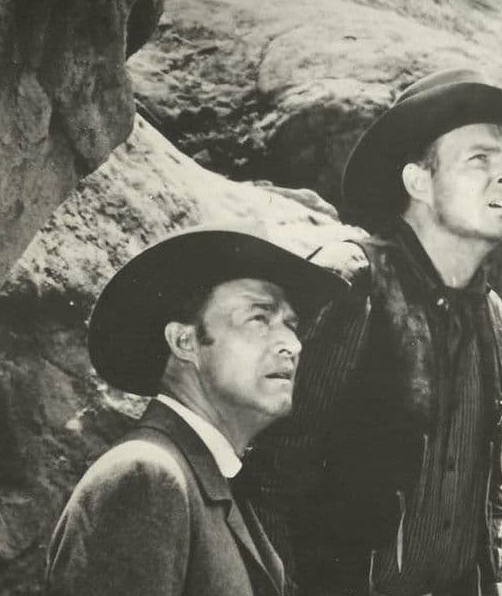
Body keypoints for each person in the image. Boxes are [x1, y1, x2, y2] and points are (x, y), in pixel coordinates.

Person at [244, 68, 502, 596]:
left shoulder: (496, 324)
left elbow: (484, 497)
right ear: (418, 182)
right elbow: (267, 482)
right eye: (480, 159)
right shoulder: (351, 284)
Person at [44, 224, 348, 596]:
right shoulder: (146, 477)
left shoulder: (212, 481)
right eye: (259, 318)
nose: (293, 344)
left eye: (291, 325)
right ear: (184, 342)